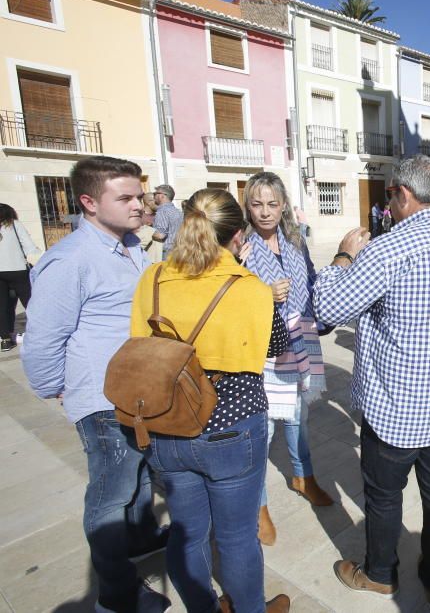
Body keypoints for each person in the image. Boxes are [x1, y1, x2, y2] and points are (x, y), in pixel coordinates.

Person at [312, 155, 430, 608]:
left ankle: (379, 574)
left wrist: (342, 257)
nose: (388, 204)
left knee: (384, 495)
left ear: (404, 195)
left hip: (396, 409)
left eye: (390, 195)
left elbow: (328, 310)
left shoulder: (389, 249)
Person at [130, 188, 291, 613]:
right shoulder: (250, 286)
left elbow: (139, 343)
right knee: (237, 536)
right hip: (232, 424)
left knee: (187, 532)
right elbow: (275, 346)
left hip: (168, 421)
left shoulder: (154, 278)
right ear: (237, 235)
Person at [22, 157, 170, 612]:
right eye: (124, 198)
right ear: (88, 202)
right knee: (109, 495)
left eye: (139, 197)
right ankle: (117, 597)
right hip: (102, 398)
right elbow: (42, 339)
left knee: (140, 470)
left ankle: (142, 536)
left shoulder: (129, 246)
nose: (137, 206)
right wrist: (57, 388)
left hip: (136, 389)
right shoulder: (69, 261)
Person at [241, 172, 333, 546]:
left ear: (283, 206)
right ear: (247, 206)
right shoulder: (239, 245)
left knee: (299, 417)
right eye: (257, 204)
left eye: (272, 204)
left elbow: (310, 281)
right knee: (261, 430)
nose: (265, 212)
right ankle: (257, 505)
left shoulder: (295, 240)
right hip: (263, 347)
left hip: (301, 338)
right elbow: (225, 295)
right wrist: (262, 293)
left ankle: (303, 477)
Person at [0, 204, 41, 351]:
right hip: (17, 269)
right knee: (30, 302)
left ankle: (5, 339)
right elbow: (29, 246)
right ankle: (40, 334)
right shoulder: (15, 225)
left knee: (3, 306)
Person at [151, 184, 182, 257]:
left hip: (167, 252)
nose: (154, 196)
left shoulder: (162, 211)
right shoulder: (178, 212)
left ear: (162, 195)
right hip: (179, 250)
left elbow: (160, 235)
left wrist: (147, 231)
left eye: (155, 194)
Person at [135, 195, 163, 263]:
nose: (159, 204)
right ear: (149, 202)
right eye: (156, 202)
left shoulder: (160, 215)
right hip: (147, 259)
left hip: (160, 257)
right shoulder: (139, 217)